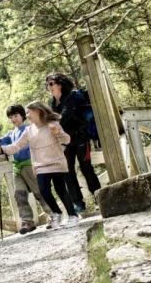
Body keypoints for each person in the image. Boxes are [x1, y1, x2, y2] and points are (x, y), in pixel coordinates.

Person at [0, 101, 79, 228]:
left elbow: (67, 140)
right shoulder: (29, 130)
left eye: (28, 112)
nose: (27, 115)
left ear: (38, 111)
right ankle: (56, 214)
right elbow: (16, 146)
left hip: (56, 162)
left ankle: (73, 216)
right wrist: (2, 150)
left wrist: (57, 133)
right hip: (40, 166)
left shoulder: (52, 124)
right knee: (44, 191)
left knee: (60, 190)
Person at [0, 104, 52, 234]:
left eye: (16, 115)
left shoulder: (29, 129)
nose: (14, 119)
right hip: (17, 167)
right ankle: (27, 221)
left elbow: (18, 147)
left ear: (22, 116)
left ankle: (52, 215)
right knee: (19, 195)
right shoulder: (11, 134)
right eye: (11, 117)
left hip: (30, 165)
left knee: (39, 192)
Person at [45, 73, 101, 213]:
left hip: (80, 138)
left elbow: (64, 117)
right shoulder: (51, 103)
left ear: (60, 84)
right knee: (67, 172)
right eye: (47, 84)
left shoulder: (72, 97)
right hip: (64, 142)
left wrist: (52, 124)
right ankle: (78, 203)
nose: (49, 87)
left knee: (86, 168)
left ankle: (99, 198)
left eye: (51, 83)